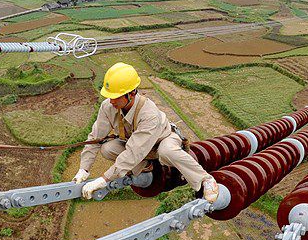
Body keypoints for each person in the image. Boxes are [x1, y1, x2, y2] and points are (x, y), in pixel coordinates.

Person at [73, 62, 219, 202]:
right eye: (109, 96)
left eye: (115, 97)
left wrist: (104, 179)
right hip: (137, 146)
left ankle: (205, 180)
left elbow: (133, 152)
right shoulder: (108, 107)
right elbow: (95, 138)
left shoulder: (149, 114)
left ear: (131, 94)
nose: (111, 101)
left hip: (161, 141)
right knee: (107, 148)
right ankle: (145, 166)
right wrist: (84, 169)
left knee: (167, 151)